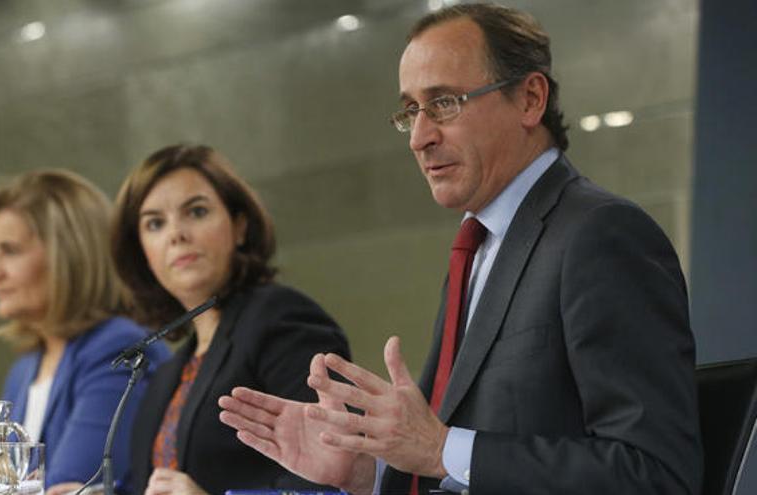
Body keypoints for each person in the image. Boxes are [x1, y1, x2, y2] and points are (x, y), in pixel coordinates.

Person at [218, 4, 702, 495]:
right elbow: (456, 458)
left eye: (445, 103)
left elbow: (656, 474)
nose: (420, 138)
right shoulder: (475, 251)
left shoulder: (602, 235)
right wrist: (368, 471)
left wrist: (438, 448)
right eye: (411, 111)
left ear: (530, 99)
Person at [109, 144, 351, 495]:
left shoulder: (282, 318)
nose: (176, 233)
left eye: (196, 211)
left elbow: (329, 480)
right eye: (155, 223)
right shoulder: (166, 373)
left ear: (239, 226)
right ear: (142, 253)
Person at [0, 169, 171, 495]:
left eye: (9, 250)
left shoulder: (119, 348)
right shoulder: (24, 369)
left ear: (69, 256)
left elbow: (71, 487)